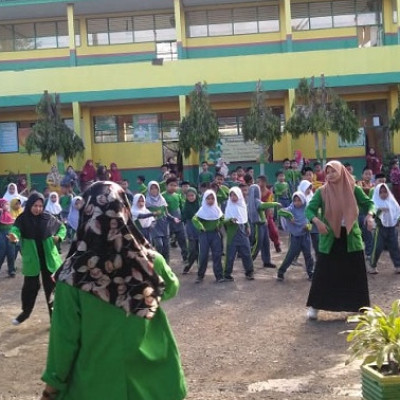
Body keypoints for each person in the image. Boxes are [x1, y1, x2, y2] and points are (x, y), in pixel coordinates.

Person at [40, 181, 187, 400]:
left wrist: (51, 390)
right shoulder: (148, 262)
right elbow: (170, 287)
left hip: (94, 387)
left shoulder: (72, 275)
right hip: (151, 383)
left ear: (86, 216)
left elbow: (64, 341)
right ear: (125, 213)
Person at [305, 161, 374, 320]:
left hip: (350, 236)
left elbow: (369, 203)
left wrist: (370, 215)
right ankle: (315, 307)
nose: (329, 175)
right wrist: (317, 221)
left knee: (356, 272)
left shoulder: (353, 188)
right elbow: (309, 210)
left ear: (341, 172)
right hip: (330, 236)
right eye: (327, 172)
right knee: (323, 272)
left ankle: (362, 307)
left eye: (333, 172)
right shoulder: (322, 192)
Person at [8, 192, 66, 325]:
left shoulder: (48, 218)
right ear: (29, 205)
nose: (38, 208)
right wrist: (14, 237)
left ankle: (54, 318)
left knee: (51, 289)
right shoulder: (22, 219)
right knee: (30, 287)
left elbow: (62, 227)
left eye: (40, 206)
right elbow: (15, 231)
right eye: (35, 205)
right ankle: (25, 313)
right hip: (32, 260)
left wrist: (59, 237)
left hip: (49, 259)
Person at [276, 192, 314, 281]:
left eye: (299, 200)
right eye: (295, 200)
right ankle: (281, 272)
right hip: (295, 237)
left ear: (303, 200)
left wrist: (308, 227)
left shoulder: (307, 209)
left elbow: (310, 221)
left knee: (308, 255)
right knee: (291, 256)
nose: (297, 202)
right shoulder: (291, 208)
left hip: (305, 236)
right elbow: (280, 211)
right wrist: (289, 216)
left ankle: (310, 273)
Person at [192, 189, 224, 283]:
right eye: (208, 198)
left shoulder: (217, 209)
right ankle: (200, 275)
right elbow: (195, 219)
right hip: (204, 235)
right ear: (204, 199)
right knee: (203, 255)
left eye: (212, 198)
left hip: (215, 234)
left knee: (217, 255)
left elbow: (222, 218)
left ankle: (219, 276)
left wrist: (219, 225)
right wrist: (200, 226)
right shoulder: (202, 210)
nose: (210, 200)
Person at [224, 187, 254, 281]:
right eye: (231, 195)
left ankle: (249, 272)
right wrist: (230, 220)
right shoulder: (228, 205)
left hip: (242, 232)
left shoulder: (242, 205)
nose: (233, 197)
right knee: (230, 255)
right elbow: (224, 221)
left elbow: (244, 217)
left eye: (235, 195)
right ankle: (227, 274)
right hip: (232, 233)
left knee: (246, 253)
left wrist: (247, 226)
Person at [369, 183, 400, 274]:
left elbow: (398, 211)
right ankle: (372, 265)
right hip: (380, 228)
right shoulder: (375, 201)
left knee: (394, 246)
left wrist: (398, 220)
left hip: (392, 228)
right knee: (377, 247)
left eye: (385, 192)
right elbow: (372, 213)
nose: (383, 194)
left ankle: (397, 265)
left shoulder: (392, 201)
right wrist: (380, 210)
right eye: (381, 192)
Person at [247, 184, 280, 268]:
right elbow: (263, 205)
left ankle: (266, 261)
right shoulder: (255, 201)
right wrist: (275, 204)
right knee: (257, 245)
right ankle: (248, 261)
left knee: (266, 243)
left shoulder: (253, 201)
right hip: (259, 226)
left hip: (263, 224)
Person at [146, 181, 178, 263]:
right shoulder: (147, 202)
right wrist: (153, 214)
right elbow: (145, 214)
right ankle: (158, 262)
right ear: (149, 190)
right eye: (152, 188)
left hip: (164, 224)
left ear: (158, 189)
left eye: (156, 188)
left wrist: (173, 218)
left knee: (166, 247)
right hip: (154, 225)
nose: (154, 190)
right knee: (159, 245)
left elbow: (166, 213)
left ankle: (166, 264)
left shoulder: (162, 199)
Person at [163, 177, 188, 264]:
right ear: (166, 186)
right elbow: (164, 211)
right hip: (168, 222)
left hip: (179, 221)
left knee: (182, 239)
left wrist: (183, 217)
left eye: (175, 185)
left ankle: (185, 257)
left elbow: (182, 208)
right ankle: (165, 260)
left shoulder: (177, 196)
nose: (173, 187)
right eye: (171, 185)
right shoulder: (163, 196)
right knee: (166, 241)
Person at [258, 175, 281, 253]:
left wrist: (267, 218)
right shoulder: (256, 192)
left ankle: (277, 244)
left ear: (264, 182)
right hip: (257, 215)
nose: (258, 183)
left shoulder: (269, 193)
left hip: (267, 215)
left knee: (273, 231)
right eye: (257, 182)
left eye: (259, 182)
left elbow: (269, 206)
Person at [181, 187, 200, 274]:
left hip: (199, 229)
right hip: (190, 230)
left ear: (196, 195)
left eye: (192, 195)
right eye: (188, 196)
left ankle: (199, 267)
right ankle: (189, 265)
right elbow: (184, 217)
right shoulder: (186, 206)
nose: (191, 197)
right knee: (193, 250)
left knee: (199, 250)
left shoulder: (199, 205)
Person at [0, 198, 16, 277]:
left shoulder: (9, 213)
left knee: (11, 253)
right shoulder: (0, 213)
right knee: (1, 253)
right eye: (5, 204)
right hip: (1, 234)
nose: (7, 206)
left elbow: (13, 222)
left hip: (10, 233)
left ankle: (11, 270)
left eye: (7, 204)